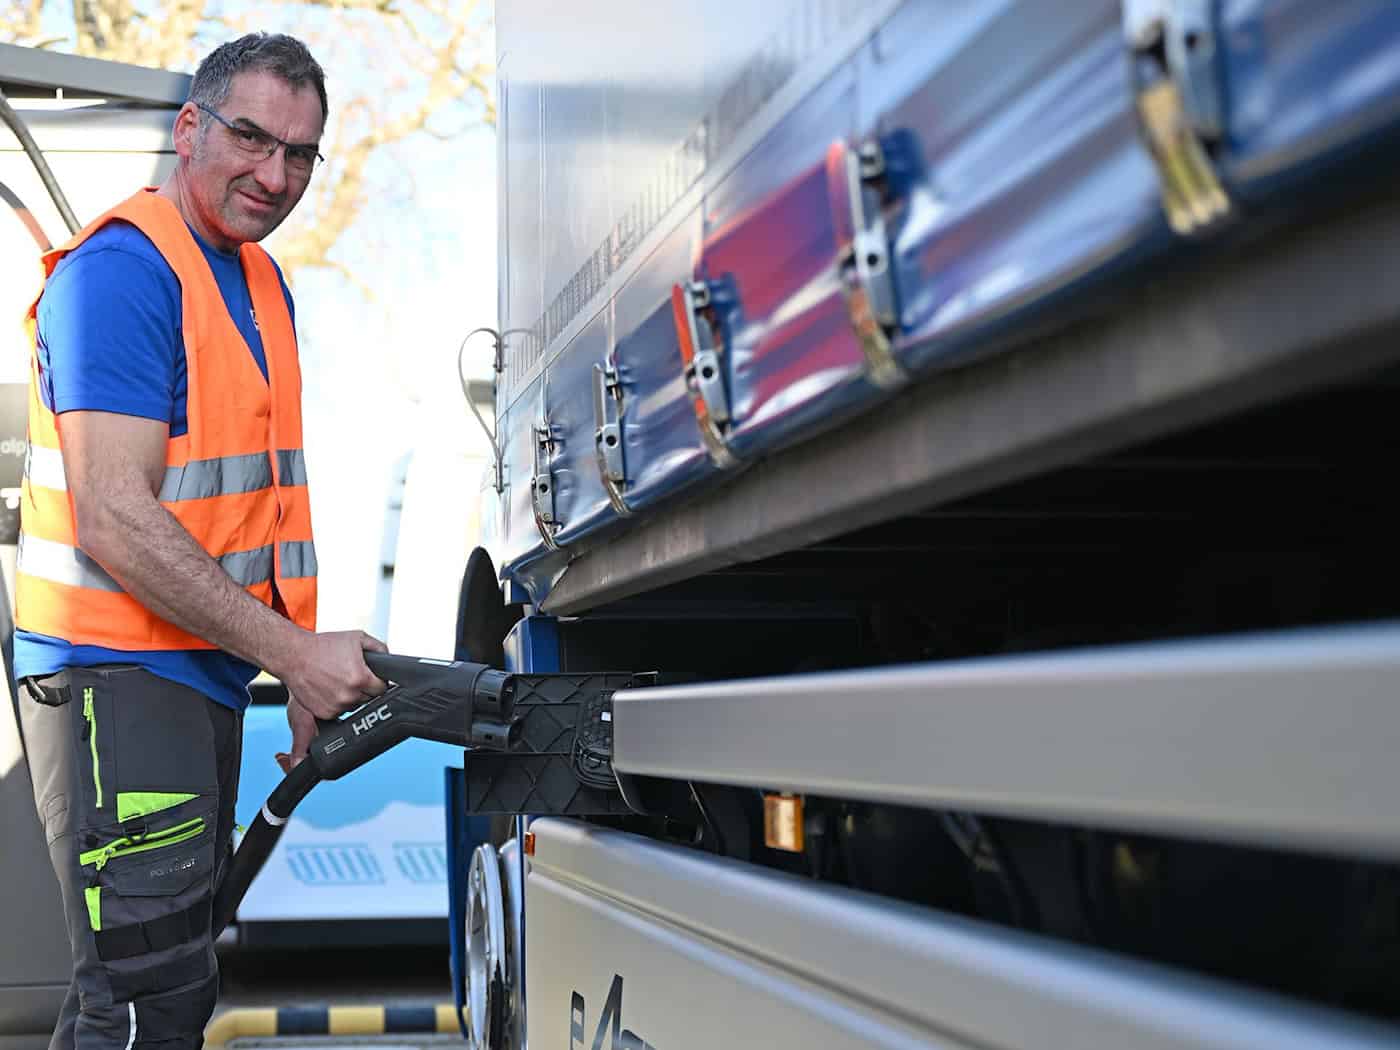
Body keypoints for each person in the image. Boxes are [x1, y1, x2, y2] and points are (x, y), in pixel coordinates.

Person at [13, 33, 384, 1050]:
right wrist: (297, 657)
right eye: (252, 138)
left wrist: (301, 671)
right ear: (189, 128)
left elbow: (259, 517)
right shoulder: (124, 275)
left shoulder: (262, 284)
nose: (275, 174)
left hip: (194, 676)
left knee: (145, 989)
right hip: (114, 677)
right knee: (148, 998)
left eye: (300, 154)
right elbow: (116, 516)